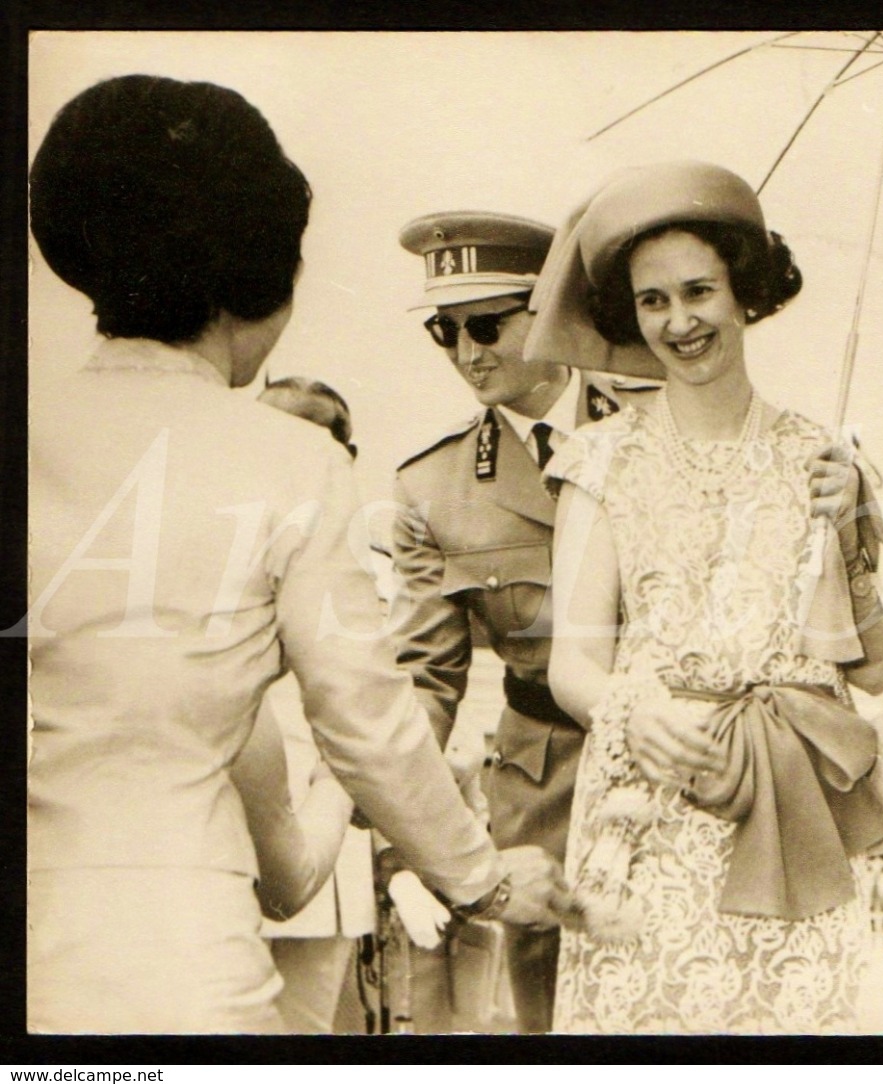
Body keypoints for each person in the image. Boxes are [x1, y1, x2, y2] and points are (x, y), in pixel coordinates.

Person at [24, 75, 571, 1033]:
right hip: (184, 949)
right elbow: (368, 722)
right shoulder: (286, 460)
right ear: (261, 282)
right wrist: (480, 882)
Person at [532, 160, 883, 1033]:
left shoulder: (822, 457)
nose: (679, 321)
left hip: (790, 810)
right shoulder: (598, 460)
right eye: (653, 302)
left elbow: (876, 669)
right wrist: (633, 710)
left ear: (745, 294)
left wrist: (848, 530)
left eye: (699, 291)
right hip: (647, 801)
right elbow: (571, 664)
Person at [392, 210, 594, 1033]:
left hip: (680, 766)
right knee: (547, 1009)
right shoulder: (431, 487)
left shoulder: (657, 424)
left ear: (543, 311)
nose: (466, 352)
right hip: (543, 784)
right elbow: (424, 680)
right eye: (444, 331)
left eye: (486, 324)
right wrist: (390, 813)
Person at [241, 377, 379, 1033]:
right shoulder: (209, 553)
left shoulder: (371, 567)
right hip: (226, 851)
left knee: (306, 1033)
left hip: (326, 844)